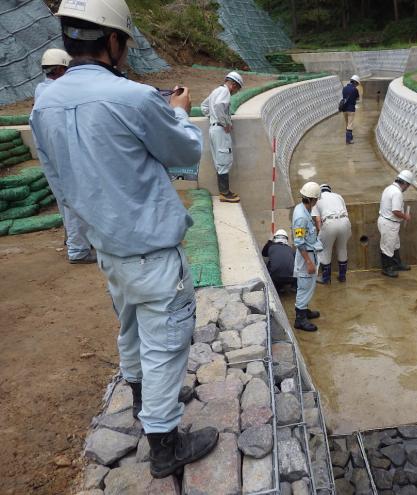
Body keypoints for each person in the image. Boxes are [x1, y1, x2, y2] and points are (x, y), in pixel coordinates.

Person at [30, 0, 218, 479]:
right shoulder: (134, 98)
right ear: (112, 41)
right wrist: (176, 112)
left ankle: (139, 401)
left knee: (131, 327)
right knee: (166, 342)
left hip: (107, 247)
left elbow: (58, 181)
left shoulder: (44, 103)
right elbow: (183, 152)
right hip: (151, 250)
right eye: (125, 43)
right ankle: (164, 444)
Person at [34, 48, 96, 264]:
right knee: (75, 198)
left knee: (65, 197)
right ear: (61, 68)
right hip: (65, 152)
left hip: (50, 153)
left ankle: (74, 241)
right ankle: (79, 250)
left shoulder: (41, 89)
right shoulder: (60, 93)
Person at [201, 71, 243, 203]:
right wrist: (224, 123)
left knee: (219, 160)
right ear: (234, 85)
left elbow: (204, 107)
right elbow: (219, 106)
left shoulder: (216, 91)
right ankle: (224, 193)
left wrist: (213, 117)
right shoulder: (224, 92)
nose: (235, 93)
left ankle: (225, 191)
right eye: (237, 89)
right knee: (224, 159)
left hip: (213, 129)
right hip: (219, 129)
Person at [292, 182, 323, 332]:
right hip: (306, 256)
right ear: (312, 200)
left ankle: (303, 310)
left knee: (308, 286)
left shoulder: (303, 208)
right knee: (304, 286)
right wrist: (309, 262)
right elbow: (299, 242)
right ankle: (300, 319)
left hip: (310, 254)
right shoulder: (301, 218)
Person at [378, 170, 414, 278]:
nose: (407, 188)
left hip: (388, 222)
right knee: (387, 246)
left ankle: (397, 264)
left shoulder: (389, 188)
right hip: (389, 223)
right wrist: (405, 216)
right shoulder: (397, 193)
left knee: (395, 244)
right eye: (408, 186)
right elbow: (396, 211)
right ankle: (386, 268)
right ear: (405, 183)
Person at [312, 184, 351, 284]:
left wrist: (322, 233)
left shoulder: (317, 199)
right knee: (342, 248)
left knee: (325, 250)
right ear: (330, 190)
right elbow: (346, 212)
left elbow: (317, 220)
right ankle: (342, 277)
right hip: (345, 222)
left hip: (329, 222)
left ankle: (326, 279)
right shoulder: (338, 196)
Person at [262, 229, 297, 293]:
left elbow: (264, 253)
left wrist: (269, 240)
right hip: (291, 278)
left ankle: (278, 288)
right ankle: (294, 287)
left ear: (275, 238)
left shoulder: (271, 247)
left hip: (276, 278)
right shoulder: (290, 249)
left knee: (269, 264)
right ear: (286, 239)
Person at [342, 75, 360, 144]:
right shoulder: (355, 89)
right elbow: (357, 98)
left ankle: (350, 137)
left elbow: (344, 97)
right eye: (357, 84)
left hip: (344, 109)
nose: (357, 85)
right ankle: (348, 140)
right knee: (350, 124)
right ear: (355, 82)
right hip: (351, 109)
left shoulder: (344, 88)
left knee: (347, 123)